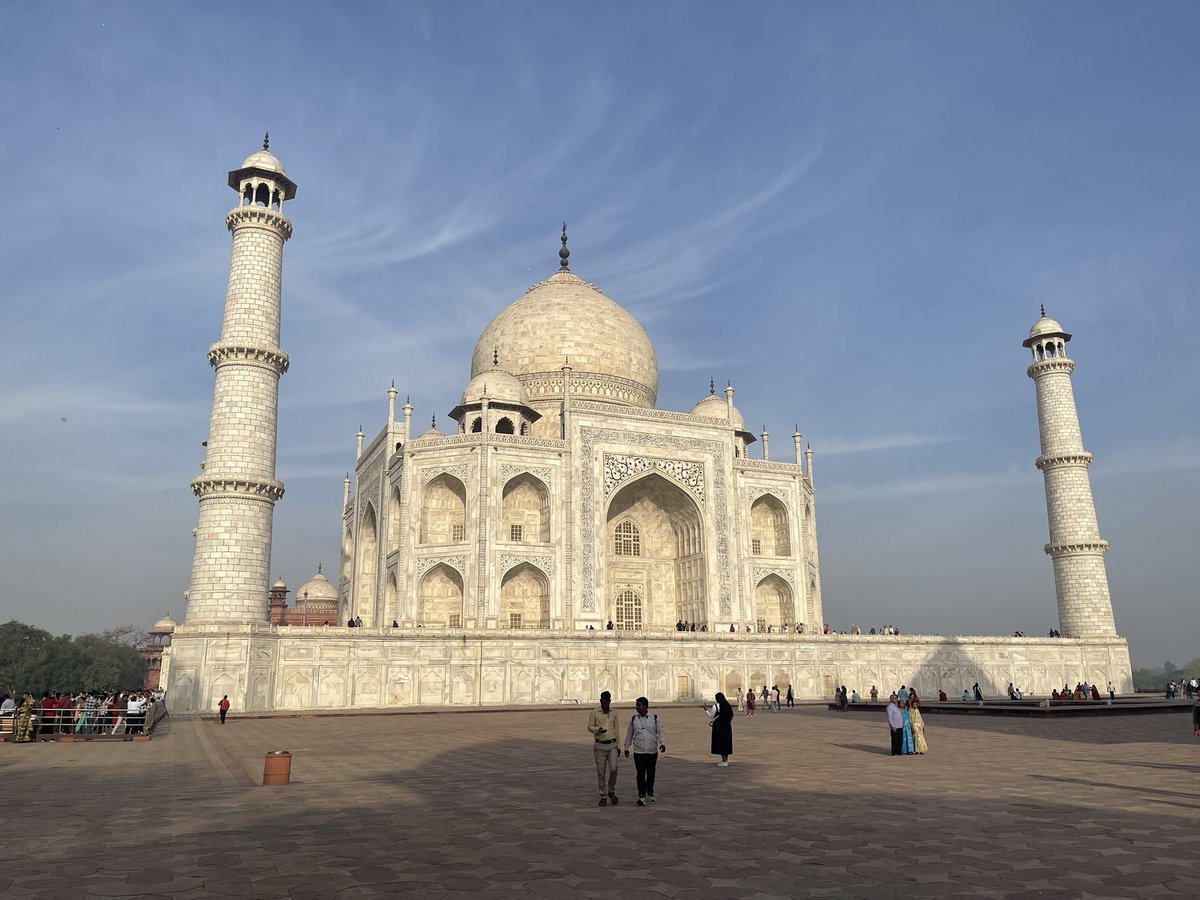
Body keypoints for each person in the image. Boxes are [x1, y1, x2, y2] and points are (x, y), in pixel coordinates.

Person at [624, 696, 666, 806]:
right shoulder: (634, 719)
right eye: (636, 706)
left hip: (651, 751)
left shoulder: (655, 718)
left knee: (651, 773)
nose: (637, 708)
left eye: (639, 705)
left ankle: (650, 791)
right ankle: (641, 794)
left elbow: (660, 732)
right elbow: (629, 734)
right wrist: (626, 747)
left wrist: (663, 743)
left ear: (646, 706)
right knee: (640, 774)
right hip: (639, 751)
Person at [587, 690, 620, 806]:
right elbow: (590, 727)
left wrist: (618, 745)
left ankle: (611, 790)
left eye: (607, 703)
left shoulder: (614, 713)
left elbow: (616, 729)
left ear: (610, 701)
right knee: (601, 772)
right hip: (600, 745)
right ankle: (603, 795)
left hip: (612, 744)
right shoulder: (594, 712)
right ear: (600, 701)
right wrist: (597, 730)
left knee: (614, 768)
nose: (605, 705)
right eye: (603, 703)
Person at [708, 692, 734, 766]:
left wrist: (706, 710)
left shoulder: (715, 706)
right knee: (726, 743)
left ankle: (724, 761)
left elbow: (711, 716)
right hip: (727, 726)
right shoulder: (727, 705)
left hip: (719, 727)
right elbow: (731, 715)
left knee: (720, 743)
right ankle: (726, 760)